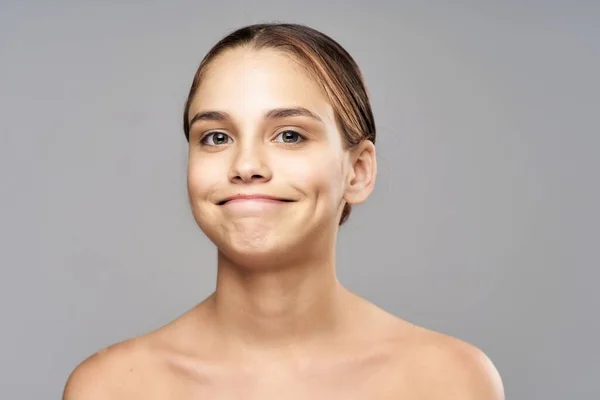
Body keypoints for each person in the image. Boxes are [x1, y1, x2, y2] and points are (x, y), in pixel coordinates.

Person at [63, 23, 504, 399]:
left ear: (358, 172)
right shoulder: (111, 388)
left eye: (290, 135)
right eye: (216, 137)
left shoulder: (449, 381)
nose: (247, 166)